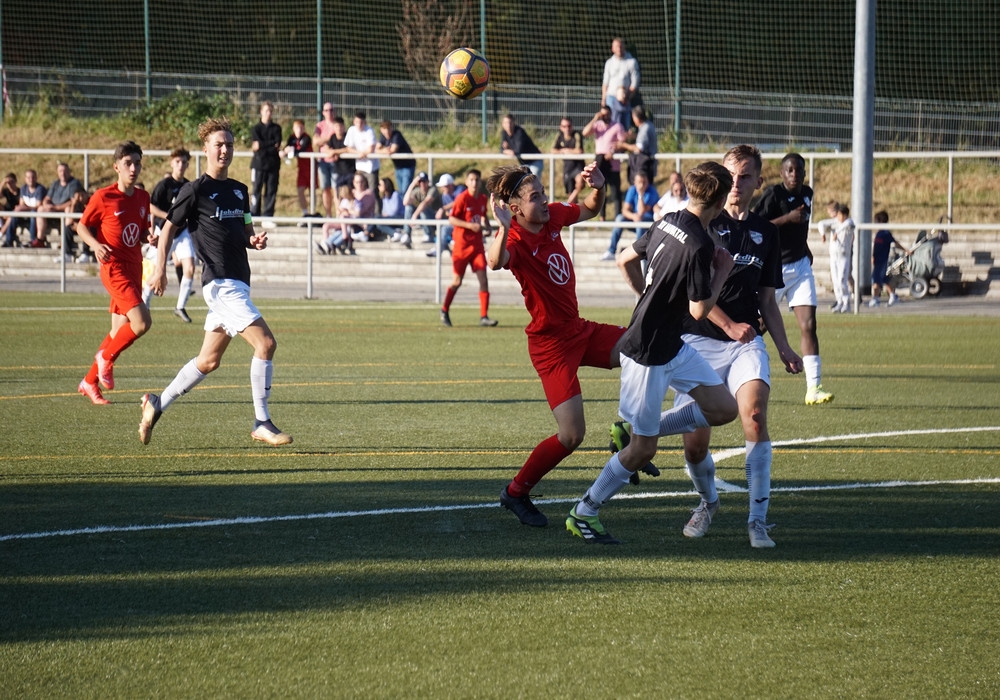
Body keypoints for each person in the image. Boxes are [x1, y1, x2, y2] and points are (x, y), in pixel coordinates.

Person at [565, 162, 739, 545]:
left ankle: (632, 430)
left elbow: (624, 258)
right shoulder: (701, 245)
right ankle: (585, 511)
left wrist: (646, 296)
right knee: (642, 451)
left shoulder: (667, 220)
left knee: (724, 409)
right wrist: (723, 271)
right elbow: (699, 310)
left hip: (671, 344)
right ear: (721, 201)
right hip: (647, 353)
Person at [670, 144, 803, 549]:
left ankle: (757, 521)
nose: (736, 183)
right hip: (699, 341)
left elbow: (767, 301)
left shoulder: (767, 233)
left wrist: (784, 347)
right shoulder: (702, 225)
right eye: (730, 175)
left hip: (746, 343)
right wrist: (727, 324)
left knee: (755, 416)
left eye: (745, 176)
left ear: (758, 182)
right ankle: (708, 502)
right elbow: (693, 296)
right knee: (695, 443)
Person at [485, 161, 629, 528]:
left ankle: (629, 430)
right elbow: (495, 261)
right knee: (572, 435)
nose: (545, 201)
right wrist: (503, 228)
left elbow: (591, 208)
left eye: (543, 193)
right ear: (515, 209)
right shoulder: (515, 239)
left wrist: (599, 187)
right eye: (535, 197)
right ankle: (515, 492)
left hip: (578, 330)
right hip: (551, 347)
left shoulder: (551, 218)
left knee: (639, 347)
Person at [139, 116, 292, 447]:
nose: (225, 150)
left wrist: (254, 241)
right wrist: (160, 268)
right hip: (220, 284)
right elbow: (168, 229)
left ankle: (157, 403)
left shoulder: (240, 191)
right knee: (265, 344)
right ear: (206, 148)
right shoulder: (195, 190)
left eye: (230, 145)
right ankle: (262, 421)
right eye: (219, 144)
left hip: (239, 282)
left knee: (208, 361)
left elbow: (246, 230)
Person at [74, 141, 152, 405]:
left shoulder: (143, 197)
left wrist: (149, 236)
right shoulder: (103, 197)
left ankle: (89, 382)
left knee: (118, 332)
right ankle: (105, 358)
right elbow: (81, 226)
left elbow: (141, 231)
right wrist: (95, 245)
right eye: (128, 163)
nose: (134, 168)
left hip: (134, 267)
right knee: (142, 323)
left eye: (137, 163)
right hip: (114, 268)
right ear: (116, 166)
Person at [752, 152, 833, 405]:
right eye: (789, 170)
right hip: (774, 269)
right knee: (759, 325)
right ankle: (730, 366)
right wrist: (787, 218)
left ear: (805, 173)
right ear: (782, 173)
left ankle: (814, 387)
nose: (794, 174)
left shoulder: (807, 193)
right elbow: (757, 224)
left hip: (800, 268)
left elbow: (800, 227)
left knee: (809, 325)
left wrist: (804, 246)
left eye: (799, 170)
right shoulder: (773, 195)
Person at [146, 147, 196, 322]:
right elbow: (151, 207)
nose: (181, 165)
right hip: (164, 231)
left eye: (184, 162)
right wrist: (155, 227)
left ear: (188, 165)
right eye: (177, 161)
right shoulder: (164, 185)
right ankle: (145, 304)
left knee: (190, 267)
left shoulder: (189, 186)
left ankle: (180, 307)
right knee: (155, 269)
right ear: (171, 163)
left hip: (182, 233)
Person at [439, 170, 495, 327]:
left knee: (483, 280)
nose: (474, 183)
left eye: (477, 180)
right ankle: (444, 309)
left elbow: (482, 214)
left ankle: (484, 316)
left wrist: (487, 226)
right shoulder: (462, 198)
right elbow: (452, 219)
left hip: (477, 246)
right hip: (462, 247)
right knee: (457, 281)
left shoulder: (482, 198)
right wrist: (470, 226)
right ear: (466, 182)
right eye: (471, 180)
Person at [601, 170, 658, 261]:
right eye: (639, 182)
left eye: (644, 182)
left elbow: (641, 211)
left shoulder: (652, 192)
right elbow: (625, 210)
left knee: (639, 222)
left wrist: (641, 195)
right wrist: (633, 216)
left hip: (647, 220)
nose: (642, 185)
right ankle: (611, 251)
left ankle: (638, 253)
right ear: (635, 183)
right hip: (635, 218)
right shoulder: (632, 190)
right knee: (619, 218)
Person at [582, 104, 626, 219]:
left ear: (611, 114)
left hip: (613, 164)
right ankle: (602, 217)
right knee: (601, 191)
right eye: (603, 114)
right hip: (600, 163)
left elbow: (622, 143)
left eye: (607, 114)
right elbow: (585, 133)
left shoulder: (617, 126)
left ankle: (618, 217)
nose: (605, 116)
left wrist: (613, 151)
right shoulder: (598, 125)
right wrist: (595, 118)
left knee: (615, 192)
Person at [39, 161, 88, 257]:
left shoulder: (74, 183)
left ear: (69, 172)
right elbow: (47, 198)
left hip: (64, 208)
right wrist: (46, 204)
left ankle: (64, 240)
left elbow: (73, 201)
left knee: (68, 210)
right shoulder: (55, 183)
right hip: (53, 209)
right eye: (60, 171)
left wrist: (57, 207)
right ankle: (40, 239)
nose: (63, 173)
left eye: (65, 171)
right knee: (40, 209)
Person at [818, 201, 855, 313]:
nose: (837, 217)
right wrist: (823, 234)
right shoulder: (835, 222)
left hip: (844, 256)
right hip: (834, 256)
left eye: (839, 215)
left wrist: (836, 232)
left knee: (842, 280)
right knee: (835, 281)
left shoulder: (849, 222)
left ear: (844, 215)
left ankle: (846, 303)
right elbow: (821, 223)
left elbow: (847, 225)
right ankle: (839, 302)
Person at [249, 101, 282, 220]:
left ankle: (267, 216)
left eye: (270, 111)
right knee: (256, 190)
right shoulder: (256, 128)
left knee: (271, 191)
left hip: (273, 165)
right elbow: (256, 146)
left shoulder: (277, 128)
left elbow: (277, 144)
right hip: (259, 164)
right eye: (266, 110)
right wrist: (271, 144)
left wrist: (262, 145)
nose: (269, 113)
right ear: (261, 112)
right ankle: (254, 214)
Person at [344, 111, 380, 214]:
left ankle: (376, 215)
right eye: (357, 122)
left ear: (365, 122)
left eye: (361, 122)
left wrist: (362, 154)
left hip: (371, 167)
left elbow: (371, 148)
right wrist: (358, 153)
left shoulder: (369, 131)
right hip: (359, 167)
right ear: (354, 122)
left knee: (372, 192)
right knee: (359, 192)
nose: (359, 125)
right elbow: (348, 148)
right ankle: (359, 212)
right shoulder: (351, 130)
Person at [869, 209, 903, 307]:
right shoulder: (878, 233)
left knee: (877, 280)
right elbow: (876, 247)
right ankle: (892, 296)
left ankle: (876, 298)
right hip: (877, 260)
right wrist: (873, 256)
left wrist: (906, 250)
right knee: (883, 280)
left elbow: (895, 243)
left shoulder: (886, 233)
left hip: (883, 261)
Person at [376, 120, 416, 198]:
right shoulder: (383, 137)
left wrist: (384, 151)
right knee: (401, 191)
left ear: (391, 128)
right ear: (381, 130)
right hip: (398, 167)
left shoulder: (396, 135)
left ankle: (406, 205)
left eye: (388, 128)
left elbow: (393, 150)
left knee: (405, 191)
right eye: (384, 129)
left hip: (407, 166)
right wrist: (384, 150)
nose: (387, 131)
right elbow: (376, 149)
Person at [284, 118, 314, 221]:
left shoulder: (306, 138)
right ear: (293, 128)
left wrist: (292, 150)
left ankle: (313, 213)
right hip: (301, 169)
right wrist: (284, 151)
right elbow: (287, 147)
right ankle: (305, 213)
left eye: (301, 128)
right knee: (300, 190)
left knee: (312, 192)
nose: (299, 130)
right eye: (297, 128)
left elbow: (302, 149)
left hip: (311, 168)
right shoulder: (292, 138)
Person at [401, 171, 441, 248]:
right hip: (424, 218)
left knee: (423, 209)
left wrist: (415, 215)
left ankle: (428, 234)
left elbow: (425, 203)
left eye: (424, 181)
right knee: (408, 207)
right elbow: (405, 202)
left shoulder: (433, 190)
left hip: (435, 217)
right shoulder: (417, 190)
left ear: (428, 182)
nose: (422, 184)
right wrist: (412, 184)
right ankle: (407, 234)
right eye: (420, 182)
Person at [313, 103, 339, 218]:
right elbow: (316, 141)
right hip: (323, 161)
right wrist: (330, 138)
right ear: (323, 112)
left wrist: (323, 141)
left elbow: (340, 139)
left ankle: (339, 214)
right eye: (326, 110)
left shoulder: (337, 124)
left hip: (335, 161)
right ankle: (328, 215)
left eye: (331, 110)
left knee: (336, 189)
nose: (329, 112)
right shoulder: (320, 125)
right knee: (325, 189)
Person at [551, 117, 586, 204]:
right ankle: (573, 207)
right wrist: (562, 151)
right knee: (570, 194)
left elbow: (579, 151)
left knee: (580, 183)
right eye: (564, 126)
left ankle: (567, 202)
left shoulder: (576, 135)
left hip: (578, 166)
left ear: (572, 126)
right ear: (561, 127)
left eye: (569, 126)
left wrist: (566, 150)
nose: (567, 128)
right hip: (567, 168)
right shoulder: (559, 136)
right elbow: (553, 150)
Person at [620, 105, 657, 184]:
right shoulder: (648, 125)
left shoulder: (645, 129)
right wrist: (634, 136)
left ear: (637, 118)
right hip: (648, 164)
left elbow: (639, 148)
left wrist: (623, 145)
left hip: (645, 165)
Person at [601, 37, 640, 108]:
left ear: (624, 48)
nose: (619, 49)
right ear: (612, 49)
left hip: (625, 99)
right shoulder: (609, 63)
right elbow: (605, 83)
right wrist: (603, 99)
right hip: (611, 97)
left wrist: (627, 97)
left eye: (621, 46)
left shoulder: (632, 62)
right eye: (616, 47)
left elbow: (635, 83)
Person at [500, 114, 543, 179]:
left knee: (533, 182)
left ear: (514, 123)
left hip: (535, 161)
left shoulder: (519, 132)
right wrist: (507, 151)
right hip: (524, 164)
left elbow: (518, 150)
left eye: (510, 122)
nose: (508, 125)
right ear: (502, 124)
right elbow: (501, 149)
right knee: (522, 182)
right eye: (506, 123)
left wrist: (507, 150)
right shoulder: (504, 133)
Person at [427, 173, 459, 257]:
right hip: (453, 220)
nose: (442, 189)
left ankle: (438, 250)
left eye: (444, 186)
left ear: (450, 185)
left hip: (462, 221)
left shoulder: (459, 190)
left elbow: (459, 202)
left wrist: (443, 209)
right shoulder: (445, 196)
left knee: (445, 228)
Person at [16, 169, 47, 247]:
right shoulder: (23, 188)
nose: (31, 179)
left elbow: (38, 205)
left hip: (35, 212)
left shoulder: (40, 189)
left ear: (36, 178)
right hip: (27, 211)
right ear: (25, 179)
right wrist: (21, 208)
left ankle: (33, 240)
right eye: (28, 177)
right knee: (14, 214)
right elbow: (21, 203)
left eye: (33, 177)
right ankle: (8, 240)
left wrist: (25, 208)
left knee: (33, 213)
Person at [376, 177, 405, 242]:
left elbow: (394, 211)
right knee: (378, 224)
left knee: (377, 218)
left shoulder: (395, 194)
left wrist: (386, 215)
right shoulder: (384, 198)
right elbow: (383, 212)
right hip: (390, 218)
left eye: (380, 185)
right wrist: (385, 215)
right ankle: (395, 233)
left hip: (400, 217)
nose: (378, 186)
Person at [0, 173, 20, 247]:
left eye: (12, 182)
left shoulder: (20, 192)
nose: (10, 184)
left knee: (11, 217)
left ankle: (1, 233)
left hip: (16, 214)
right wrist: (3, 183)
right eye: (8, 183)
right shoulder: (6, 191)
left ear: (15, 182)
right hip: (7, 212)